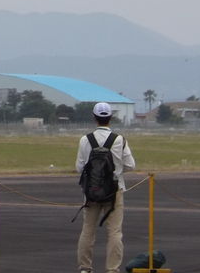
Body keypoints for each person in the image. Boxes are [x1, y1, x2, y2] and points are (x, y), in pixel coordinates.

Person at [75, 101, 137, 273]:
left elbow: (79, 167)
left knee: (88, 230)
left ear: (94, 118)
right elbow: (131, 165)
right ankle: (112, 269)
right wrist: (116, 171)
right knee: (115, 232)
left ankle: (85, 268)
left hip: (91, 192)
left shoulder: (85, 140)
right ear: (111, 118)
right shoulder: (119, 140)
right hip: (114, 191)